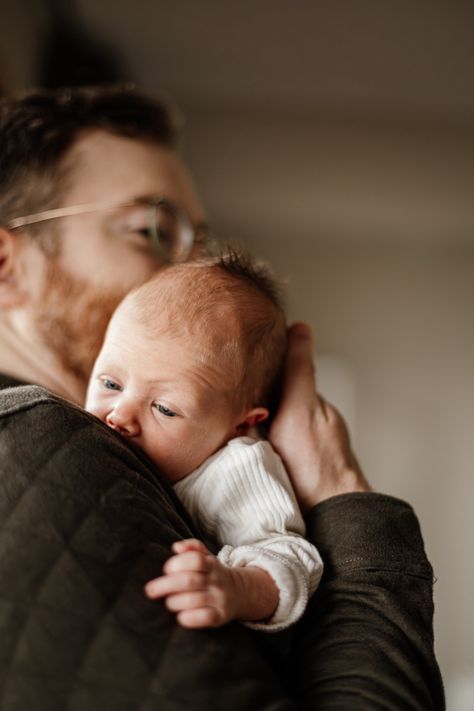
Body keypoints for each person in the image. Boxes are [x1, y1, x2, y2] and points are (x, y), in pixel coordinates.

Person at [0, 86, 445, 710]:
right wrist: (347, 499)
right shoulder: (47, 446)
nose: (186, 273)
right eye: (152, 228)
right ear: (6, 263)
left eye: (197, 243)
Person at [85, 251, 324, 631]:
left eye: (164, 408)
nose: (119, 416)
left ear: (240, 426)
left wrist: (238, 588)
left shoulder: (235, 469)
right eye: (111, 383)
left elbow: (292, 558)